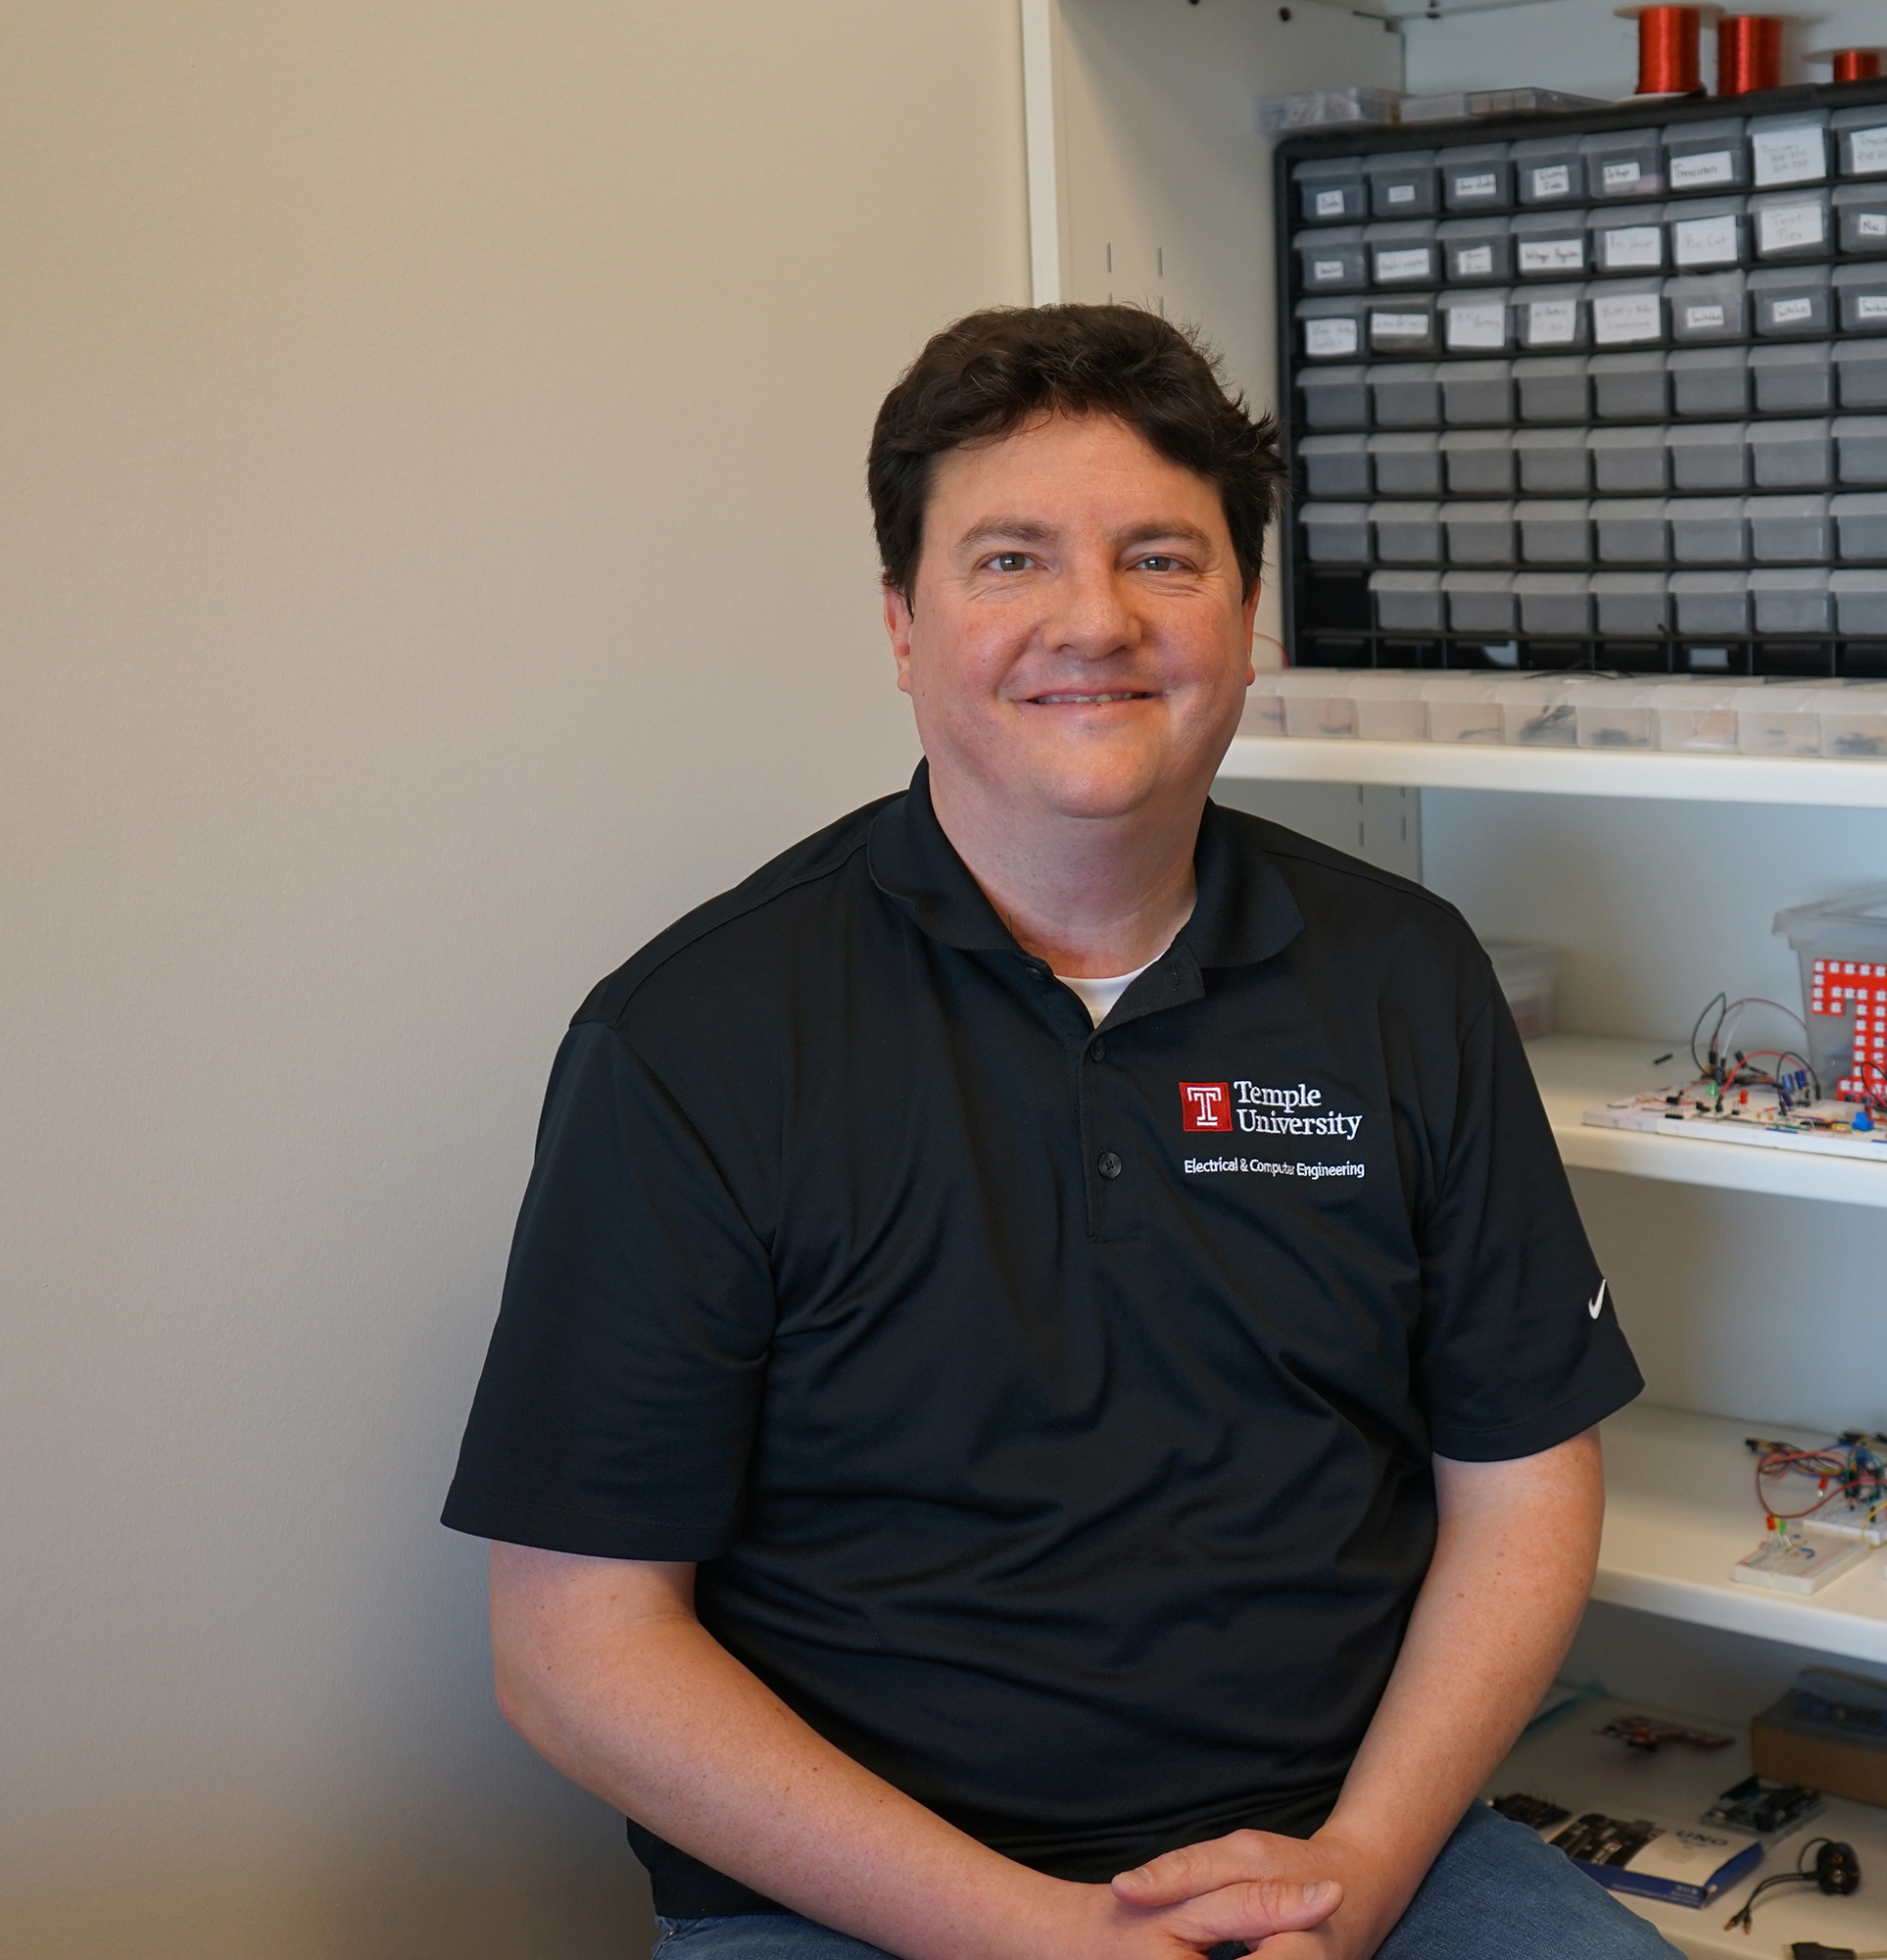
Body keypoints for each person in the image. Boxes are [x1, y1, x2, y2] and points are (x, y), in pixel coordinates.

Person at [442, 306, 1668, 1960]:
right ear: (902, 623)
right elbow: (574, 1643)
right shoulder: (695, 1041)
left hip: (1349, 1852)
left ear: (1249, 619)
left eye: (1162, 558)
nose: (1093, 621)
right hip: (857, 1898)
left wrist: (1356, 1872)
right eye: (1010, 560)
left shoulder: (1403, 978)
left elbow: (1523, 1485)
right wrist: (1045, 1938)